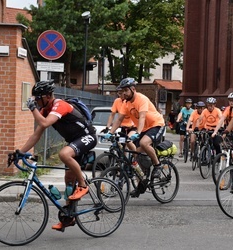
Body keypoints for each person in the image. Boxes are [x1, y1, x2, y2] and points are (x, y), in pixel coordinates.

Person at [19, 80, 97, 231]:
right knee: (68, 181)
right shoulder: (45, 111)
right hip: (75, 141)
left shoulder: (59, 105)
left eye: (37, 98)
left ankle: (83, 185)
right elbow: (36, 136)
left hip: (88, 136)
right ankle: (69, 217)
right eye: (34, 99)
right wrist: (20, 153)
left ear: (47, 96)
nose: (35, 101)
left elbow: (46, 123)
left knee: (64, 153)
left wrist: (32, 108)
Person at [104, 78, 166, 195]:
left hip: (156, 124)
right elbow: (119, 120)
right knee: (136, 157)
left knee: (144, 143)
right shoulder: (126, 103)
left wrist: (137, 132)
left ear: (133, 89)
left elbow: (142, 117)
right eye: (122, 91)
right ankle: (141, 184)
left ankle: (158, 165)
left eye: (126, 90)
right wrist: (110, 133)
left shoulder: (141, 99)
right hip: (143, 128)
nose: (124, 93)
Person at [102, 87, 137, 151]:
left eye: (122, 93)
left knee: (128, 141)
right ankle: (124, 160)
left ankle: (136, 159)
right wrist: (107, 127)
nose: (121, 95)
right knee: (122, 147)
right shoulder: (117, 101)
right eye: (119, 93)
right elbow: (112, 115)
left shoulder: (129, 101)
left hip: (133, 127)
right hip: (123, 127)